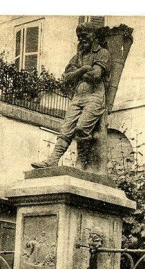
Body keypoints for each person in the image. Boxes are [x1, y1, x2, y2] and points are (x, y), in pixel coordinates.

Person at [31, 23, 110, 169]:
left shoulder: (102, 53)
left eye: (85, 36)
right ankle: (53, 160)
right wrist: (83, 70)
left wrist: (77, 73)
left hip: (94, 96)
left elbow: (96, 75)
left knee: (81, 128)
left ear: (93, 36)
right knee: (65, 129)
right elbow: (66, 78)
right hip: (78, 96)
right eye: (79, 37)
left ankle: (81, 162)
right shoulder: (77, 56)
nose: (81, 39)